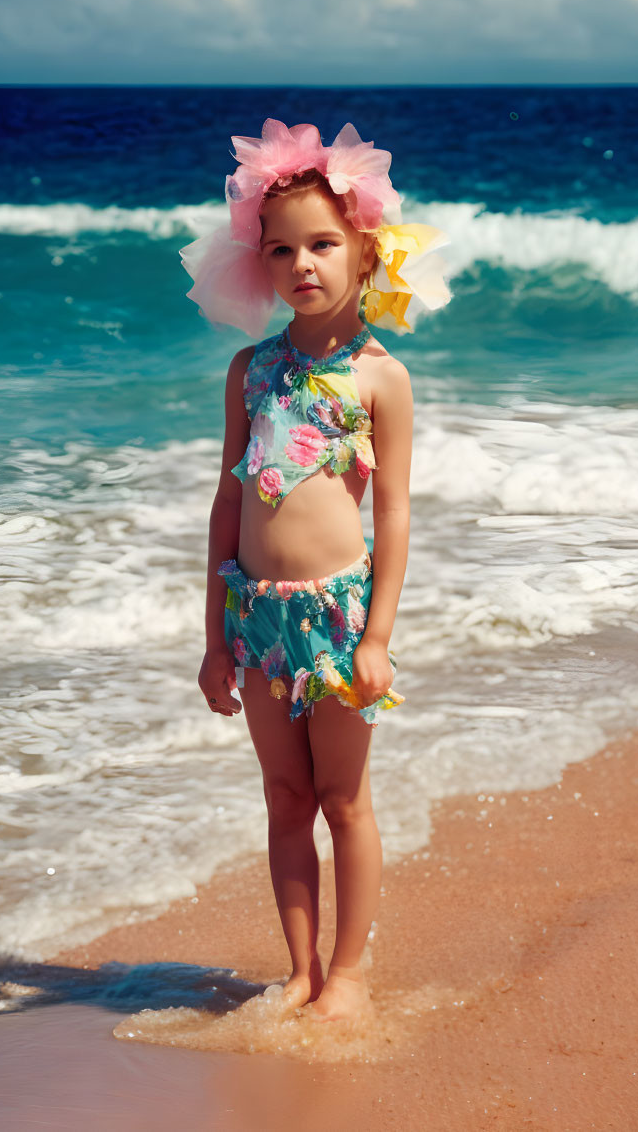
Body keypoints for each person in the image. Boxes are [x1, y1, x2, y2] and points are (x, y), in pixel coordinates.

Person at [182, 119, 451, 1023]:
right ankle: (297, 967)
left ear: (364, 250)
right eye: (283, 248)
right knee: (284, 795)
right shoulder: (249, 370)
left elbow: (394, 511)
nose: (303, 262)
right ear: (259, 261)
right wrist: (214, 636)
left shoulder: (383, 379)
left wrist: (377, 637)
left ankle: (350, 973)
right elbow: (228, 504)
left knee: (342, 797)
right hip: (256, 617)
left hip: (338, 621)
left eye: (323, 243)